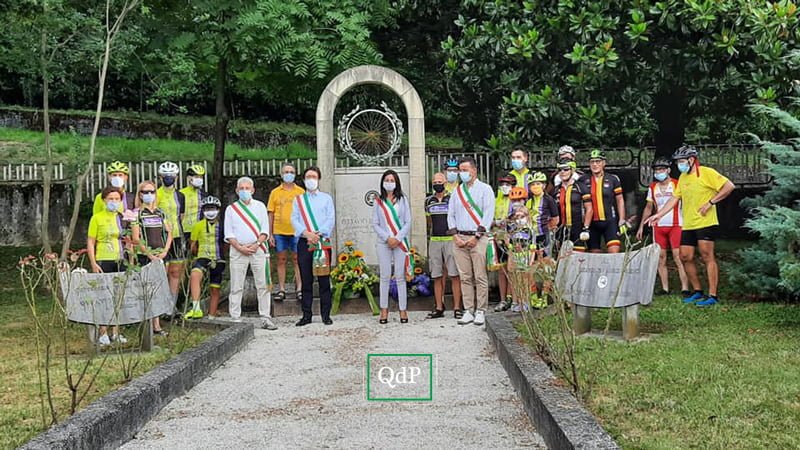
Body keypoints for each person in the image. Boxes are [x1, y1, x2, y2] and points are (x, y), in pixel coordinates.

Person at [645, 145, 735, 306]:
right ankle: (698, 291)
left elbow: (729, 186)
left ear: (691, 160)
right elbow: (674, 199)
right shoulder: (683, 177)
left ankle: (713, 295)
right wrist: (658, 214)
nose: (680, 164)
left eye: (682, 161)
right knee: (685, 256)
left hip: (705, 222)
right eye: (678, 161)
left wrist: (710, 202)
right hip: (688, 224)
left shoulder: (707, 173)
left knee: (707, 256)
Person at [223, 176, 277, 330]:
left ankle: (265, 317)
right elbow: (229, 233)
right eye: (242, 188)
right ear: (237, 191)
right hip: (238, 250)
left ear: (253, 190)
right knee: (236, 285)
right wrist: (240, 247)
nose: (245, 191)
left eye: (247, 188)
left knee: (263, 284)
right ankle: (235, 318)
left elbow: (265, 230)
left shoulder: (260, 207)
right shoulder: (231, 209)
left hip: (258, 249)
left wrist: (257, 244)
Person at [447, 156, 495, 326]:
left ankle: (481, 310)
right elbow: (450, 214)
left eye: (465, 170)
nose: (462, 173)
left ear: (474, 170)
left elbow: (488, 214)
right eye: (461, 170)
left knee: (480, 275)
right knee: (465, 276)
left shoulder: (485, 189)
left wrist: (476, 236)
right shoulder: (456, 191)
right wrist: (455, 236)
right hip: (459, 238)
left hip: (478, 238)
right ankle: (468, 309)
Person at [636, 158, 690, 297]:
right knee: (661, 257)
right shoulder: (653, 187)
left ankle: (685, 287)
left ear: (668, 170)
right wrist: (641, 226)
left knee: (679, 257)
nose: (659, 172)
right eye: (656, 170)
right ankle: (665, 288)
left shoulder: (677, 184)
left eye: (662, 169)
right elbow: (649, 208)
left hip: (676, 224)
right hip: (658, 226)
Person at [292, 167, 335, 326]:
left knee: (324, 279)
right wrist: (307, 234)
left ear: (318, 179)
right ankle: (306, 315)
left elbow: (330, 219)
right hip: (305, 242)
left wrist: (318, 233)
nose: (311, 179)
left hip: (322, 242)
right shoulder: (298, 200)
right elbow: (294, 220)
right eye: (308, 176)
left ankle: (326, 315)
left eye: (314, 176)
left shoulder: (326, 198)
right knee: (306, 279)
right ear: (303, 180)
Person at [87, 186, 128, 346]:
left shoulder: (122, 217)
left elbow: (128, 240)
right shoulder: (96, 218)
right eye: (111, 199)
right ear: (104, 200)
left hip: (120, 259)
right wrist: (93, 263)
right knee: (104, 296)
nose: (114, 202)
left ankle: (116, 331)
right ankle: (103, 332)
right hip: (103, 259)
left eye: (117, 199)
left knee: (118, 296)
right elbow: (91, 241)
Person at [131, 180, 172, 336]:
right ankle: (148, 324)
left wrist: (165, 250)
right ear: (140, 195)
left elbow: (169, 232)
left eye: (152, 192)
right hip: (145, 256)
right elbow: (136, 238)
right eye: (145, 192)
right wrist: (148, 254)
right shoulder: (137, 213)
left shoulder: (161, 212)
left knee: (159, 289)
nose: (149, 195)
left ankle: (157, 325)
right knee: (147, 290)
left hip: (161, 255)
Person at [372, 170, 413, 324]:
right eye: (387, 179)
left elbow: (408, 222)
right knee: (385, 276)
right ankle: (384, 310)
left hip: (400, 243)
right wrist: (387, 238)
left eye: (392, 180)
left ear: (396, 182)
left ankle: (403, 310)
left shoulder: (403, 200)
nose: (389, 182)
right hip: (384, 242)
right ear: (383, 182)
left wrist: (397, 238)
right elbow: (375, 223)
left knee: (400, 276)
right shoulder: (378, 201)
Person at [425, 172, 463, 319]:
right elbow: (429, 221)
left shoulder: (453, 198)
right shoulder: (428, 201)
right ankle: (439, 307)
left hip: (450, 239)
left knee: (454, 274)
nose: (437, 183)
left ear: (445, 182)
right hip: (435, 240)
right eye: (435, 181)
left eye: (440, 181)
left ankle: (457, 307)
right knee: (436, 275)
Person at [268, 162, 304, 302]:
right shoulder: (275, 192)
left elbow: (305, 212)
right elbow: (270, 213)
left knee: (297, 259)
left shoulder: (300, 192)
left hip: (297, 231)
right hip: (279, 231)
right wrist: (270, 233)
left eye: (291, 172)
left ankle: (299, 288)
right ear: (281, 174)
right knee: (281, 259)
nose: (289, 174)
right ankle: (281, 289)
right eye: (286, 172)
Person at [187, 196, 227, 319]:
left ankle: (212, 316)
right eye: (207, 209)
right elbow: (193, 245)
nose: (210, 211)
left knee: (214, 289)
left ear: (218, 210)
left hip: (218, 258)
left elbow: (226, 244)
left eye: (213, 208)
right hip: (202, 256)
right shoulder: (197, 226)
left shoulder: (223, 226)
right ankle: (196, 308)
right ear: (203, 211)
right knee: (195, 275)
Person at [580, 149, 627, 253]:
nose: (595, 164)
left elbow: (620, 200)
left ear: (604, 163)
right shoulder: (583, 180)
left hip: (610, 221)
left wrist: (622, 219)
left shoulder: (613, 179)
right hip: (592, 223)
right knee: (595, 255)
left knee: (614, 253)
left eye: (598, 161)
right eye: (592, 162)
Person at [495, 186, 528, 312]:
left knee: (525, 278)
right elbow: (506, 236)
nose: (516, 203)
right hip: (512, 253)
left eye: (519, 200)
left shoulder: (528, 220)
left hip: (525, 254)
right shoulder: (509, 220)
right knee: (512, 276)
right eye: (514, 201)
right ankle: (513, 301)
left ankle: (525, 301)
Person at [156, 161, 187, 299]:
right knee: (162, 270)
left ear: (177, 177)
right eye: (165, 175)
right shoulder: (156, 194)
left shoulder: (180, 196)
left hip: (177, 236)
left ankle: (171, 304)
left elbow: (182, 216)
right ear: (160, 177)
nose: (169, 178)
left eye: (172, 175)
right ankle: (160, 302)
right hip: (160, 236)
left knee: (176, 271)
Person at [554, 160, 592, 252]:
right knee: (562, 259)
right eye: (560, 170)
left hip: (578, 227)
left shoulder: (581, 187)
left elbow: (589, 209)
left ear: (572, 170)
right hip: (562, 229)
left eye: (566, 169)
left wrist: (586, 228)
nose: (562, 172)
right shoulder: (556, 190)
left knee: (579, 259)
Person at [493, 175, 516, 310]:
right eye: (502, 184)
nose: (504, 187)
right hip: (499, 237)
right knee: (502, 269)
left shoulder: (517, 199)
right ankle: (502, 299)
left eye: (507, 184)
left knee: (512, 269)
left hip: (513, 236)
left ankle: (513, 298)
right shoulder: (497, 200)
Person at [179, 164, 207, 242]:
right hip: (183, 230)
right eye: (196, 177)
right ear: (189, 178)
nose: (199, 179)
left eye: (201, 177)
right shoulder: (181, 193)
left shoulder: (204, 194)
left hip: (198, 230)